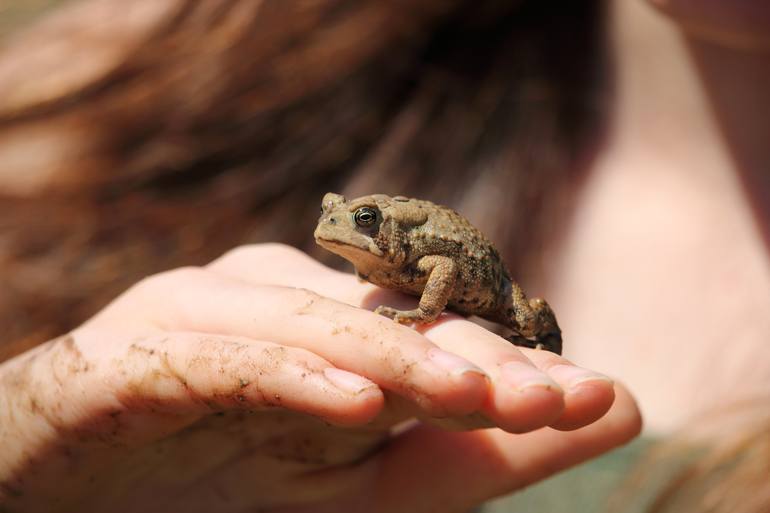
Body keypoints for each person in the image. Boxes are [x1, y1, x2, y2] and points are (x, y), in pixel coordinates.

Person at [0, 1, 766, 513]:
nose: (339, 229)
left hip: (489, 294)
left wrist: (423, 321)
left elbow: (440, 271)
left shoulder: (422, 249)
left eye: (359, 222)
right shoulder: (147, 61)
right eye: (338, 220)